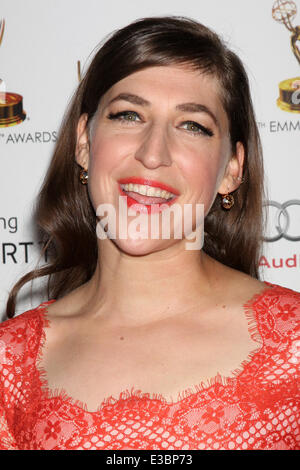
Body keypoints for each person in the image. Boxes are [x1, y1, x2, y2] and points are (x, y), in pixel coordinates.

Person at [0, 16, 299, 451]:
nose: (152, 153)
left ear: (232, 170)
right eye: (129, 115)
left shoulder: (293, 345)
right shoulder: (10, 363)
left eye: (192, 125)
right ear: (84, 143)